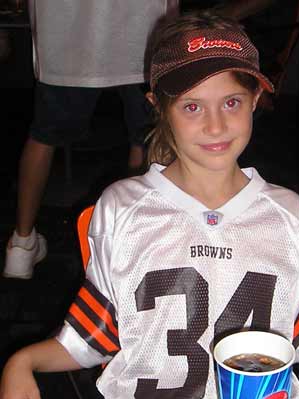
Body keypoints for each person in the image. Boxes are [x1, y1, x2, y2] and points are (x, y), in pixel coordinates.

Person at [1, 10, 299, 399]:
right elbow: (96, 333)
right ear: (159, 107)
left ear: (255, 100)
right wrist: (23, 361)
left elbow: (288, 331)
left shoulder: (287, 214)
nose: (215, 125)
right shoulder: (123, 209)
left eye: (231, 102)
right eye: (192, 106)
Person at [3, 0, 178, 280]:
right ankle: (137, 239)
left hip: (64, 33)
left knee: (43, 136)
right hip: (142, 27)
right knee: (144, 137)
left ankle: (21, 245)